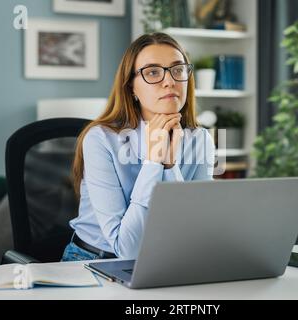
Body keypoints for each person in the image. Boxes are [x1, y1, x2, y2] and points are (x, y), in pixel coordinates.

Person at [61, 32, 215, 262]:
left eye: (178, 69)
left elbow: (188, 232)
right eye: (152, 72)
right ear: (131, 87)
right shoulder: (101, 139)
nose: (169, 81)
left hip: (165, 260)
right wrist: (154, 161)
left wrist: (170, 165)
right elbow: (127, 248)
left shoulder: (200, 139)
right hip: (93, 262)